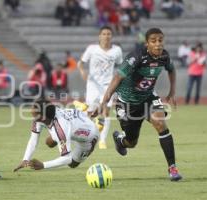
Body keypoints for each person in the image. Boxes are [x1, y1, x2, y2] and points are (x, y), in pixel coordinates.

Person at [99, 28, 182, 181]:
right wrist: (105, 101)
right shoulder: (136, 57)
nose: (158, 44)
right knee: (131, 142)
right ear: (147, 43)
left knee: (160, 123)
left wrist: (172, 92)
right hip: (127, 103)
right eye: (154, 41)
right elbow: (118, 77)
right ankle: (120, 140)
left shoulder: (164, 56)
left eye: (160, 40)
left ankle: (172, 168)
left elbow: (171, 70)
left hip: (148, 97)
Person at [14, 99, 99, 171]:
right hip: (73, 122)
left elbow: (67, 159)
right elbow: (33, 138)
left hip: (89, 136)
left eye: (34, 112)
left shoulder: (60, 128)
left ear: (42, 117)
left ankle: (90, 118)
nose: (31, 112)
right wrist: (25, 159)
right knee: (49, 142)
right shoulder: (43, 115)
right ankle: (85, 112)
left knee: (72, 164)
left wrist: (43, 165)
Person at [77, 26, 123, 149]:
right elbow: (80, 63)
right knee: (91, 112)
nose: (106, 36)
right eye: (104, 34)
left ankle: (102, 141)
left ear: (111, 36)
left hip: (108, 84)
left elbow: (121, 65)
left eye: (109, 34)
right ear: (99, 36)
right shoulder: (92, 49)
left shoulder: (117, 50)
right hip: (92, 84)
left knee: (106, 111)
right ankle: (85, 135)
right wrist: (82, 72)